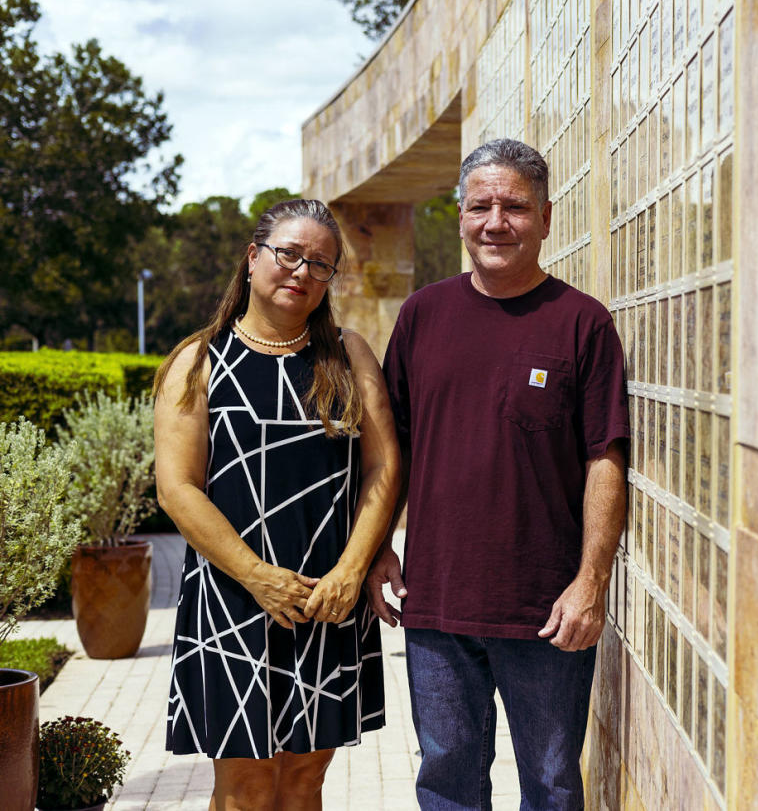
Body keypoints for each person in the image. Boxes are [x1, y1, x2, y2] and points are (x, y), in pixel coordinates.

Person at [366, 138, 629, 809]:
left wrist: (591, 582)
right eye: (480, 205)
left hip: (547, 612)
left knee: (551, 784)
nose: (495, 222)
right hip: (438, 606)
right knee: (447, 780)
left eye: (514, 206)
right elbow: (389, 447)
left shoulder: (582, 324)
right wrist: (375, 550)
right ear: (459, 215)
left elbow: (606, 458)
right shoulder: (423, 316)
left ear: (545, 215)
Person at [153, 199, 401, 810]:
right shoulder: (198, 360)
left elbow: (384, 466)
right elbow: (177, 488)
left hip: (324, 599)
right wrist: (257, 576)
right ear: (253, 256)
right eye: (289, 254)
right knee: (243, 791)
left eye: (321, 264)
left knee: (301, 784)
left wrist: (352, 569)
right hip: (230, 599)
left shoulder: (347, 355)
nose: (302, 272)